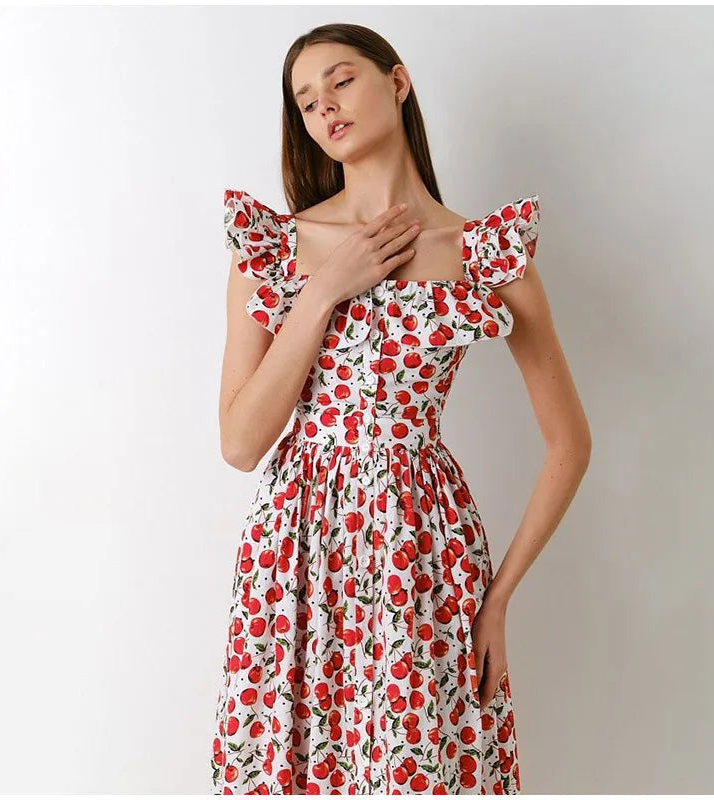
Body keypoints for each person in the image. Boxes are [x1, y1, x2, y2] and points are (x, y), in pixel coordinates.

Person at [211, 22, 591, 796]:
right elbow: (242, 442)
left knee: (422, 769)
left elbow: (569, 444)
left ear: (398, 81)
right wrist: (322, 291)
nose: (325, 108)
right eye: (306, 101)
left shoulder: (483, 253)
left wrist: (497, 601)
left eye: (341, 80)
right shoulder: (275, 250)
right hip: (297, 557)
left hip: (424, 553)